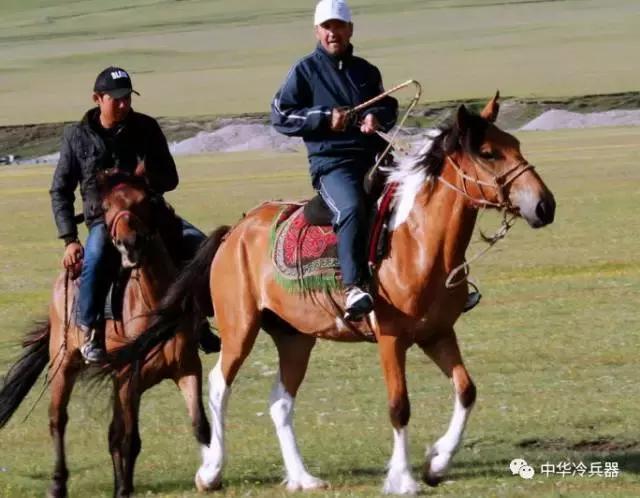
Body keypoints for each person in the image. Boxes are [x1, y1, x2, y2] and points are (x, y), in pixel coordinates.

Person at [50, 66, 219, 363]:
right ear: (97, 99)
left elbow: (170, 180)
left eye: (127, 97)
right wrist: (69, 239)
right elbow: (60, 190)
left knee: (201, 246)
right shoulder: (77, 137)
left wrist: (148, 174)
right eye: (116, 99)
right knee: (98, 255)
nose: (124, 104)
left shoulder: (146, 128)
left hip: (149, 212)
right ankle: (91, 330)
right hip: (106, 220)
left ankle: (198, 321)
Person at [271, 0, 398, 321]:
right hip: (332, 164)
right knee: (352, 206)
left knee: (426, 193)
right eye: (327, 27)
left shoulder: (367, 72)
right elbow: (281, 115)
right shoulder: (304, 71)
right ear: (317, 31)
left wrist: (375, 116)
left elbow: (389, 106)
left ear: (350, 29)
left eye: (338, 26)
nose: (333, 33)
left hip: (374, 157)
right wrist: (325, 118)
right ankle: (354, 286)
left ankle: (444, 282)